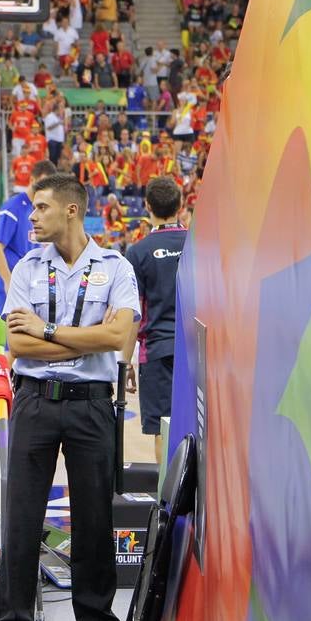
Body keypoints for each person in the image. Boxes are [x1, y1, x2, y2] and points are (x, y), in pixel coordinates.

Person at [0, 174, 140, 621]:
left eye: (41, 207)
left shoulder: (115, 266)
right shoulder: (28, 267)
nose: (31, 216)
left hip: (91, 402)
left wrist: (50, 329)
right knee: (22, 516)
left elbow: (119, 337)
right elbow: (19, 345)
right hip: (35, 401)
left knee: (95, 517)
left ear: (71, 210)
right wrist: (86, 335)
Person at [125, 176, 187, 462]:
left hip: (158, 352)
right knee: (200, 427)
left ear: (147, 206)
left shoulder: (138, 252)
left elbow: (132, 314)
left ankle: (167, 503)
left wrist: (125, 362)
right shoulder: (199, 244)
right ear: (181, 205)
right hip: (199, 351)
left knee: (165, 428)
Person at [0, 160, 57, 298]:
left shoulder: (45, 211)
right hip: (13, 288)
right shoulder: (13, 207)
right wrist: (8, 281)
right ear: (32, 179)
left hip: (35, 285)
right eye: (43, 183)